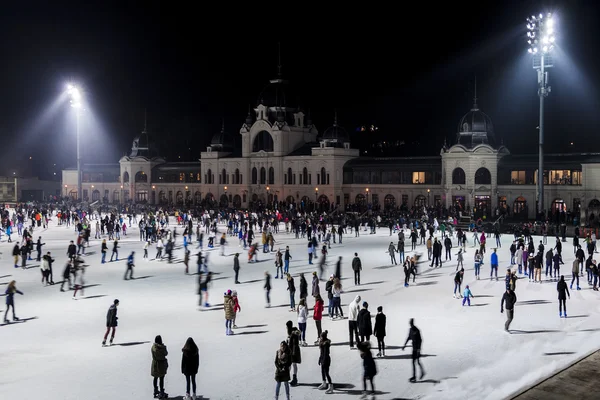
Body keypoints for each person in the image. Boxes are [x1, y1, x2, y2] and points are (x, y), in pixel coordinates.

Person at [402, 318, 425, 382]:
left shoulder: (417, 330)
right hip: (413, 349)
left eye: (411, 323)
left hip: (417, 349)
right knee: (414, 362)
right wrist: (404, 345)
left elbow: (420, 340)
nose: (410, 324)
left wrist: (419, 349)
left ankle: (422, 373)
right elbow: (408, 337)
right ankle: (415, 376)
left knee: (417, 362)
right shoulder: (410, 330)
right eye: (410, 323)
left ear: (413, 323)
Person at [151, 335, 169, 399]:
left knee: (155, 377)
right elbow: (166, 353)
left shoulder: (153, 347)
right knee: (161, 378)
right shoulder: (162, 348)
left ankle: (155, 390)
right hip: (161, 364)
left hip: (155, 364)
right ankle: (161, 391)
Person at [286, 320, 302, 386]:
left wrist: (293, 352)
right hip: (293, 351)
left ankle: (293, 378)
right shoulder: (292, 332)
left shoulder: (293, 334)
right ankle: (291, 377)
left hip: (293, 351)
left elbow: (294, 344)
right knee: (291, 365)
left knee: (292, 364)